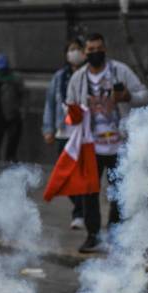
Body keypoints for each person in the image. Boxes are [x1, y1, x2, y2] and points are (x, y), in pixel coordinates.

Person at [65, 32, 148, 253]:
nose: (95, 53)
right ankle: (93, 236)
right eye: (90, 50)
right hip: (90, 145)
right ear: (85, 53)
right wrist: (74, 116)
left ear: (105, 49)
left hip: (119, 144)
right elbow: (69, 106)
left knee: (119, 191)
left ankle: (115, 234)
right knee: (89, 192)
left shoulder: (120, 71)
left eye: (98, 49)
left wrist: (128, 97)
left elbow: (144, 95)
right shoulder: (78, 78)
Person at [42, 38, 86, 230]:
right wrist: (48, 129)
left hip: (83, 133)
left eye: (78, 49)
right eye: (71, 49)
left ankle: (80, 214)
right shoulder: (59, 77)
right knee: (65, 176)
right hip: (63, 132)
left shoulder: (89, 74)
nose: (74, 52)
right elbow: (51, 103)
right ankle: (81, 207)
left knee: (82, 175)